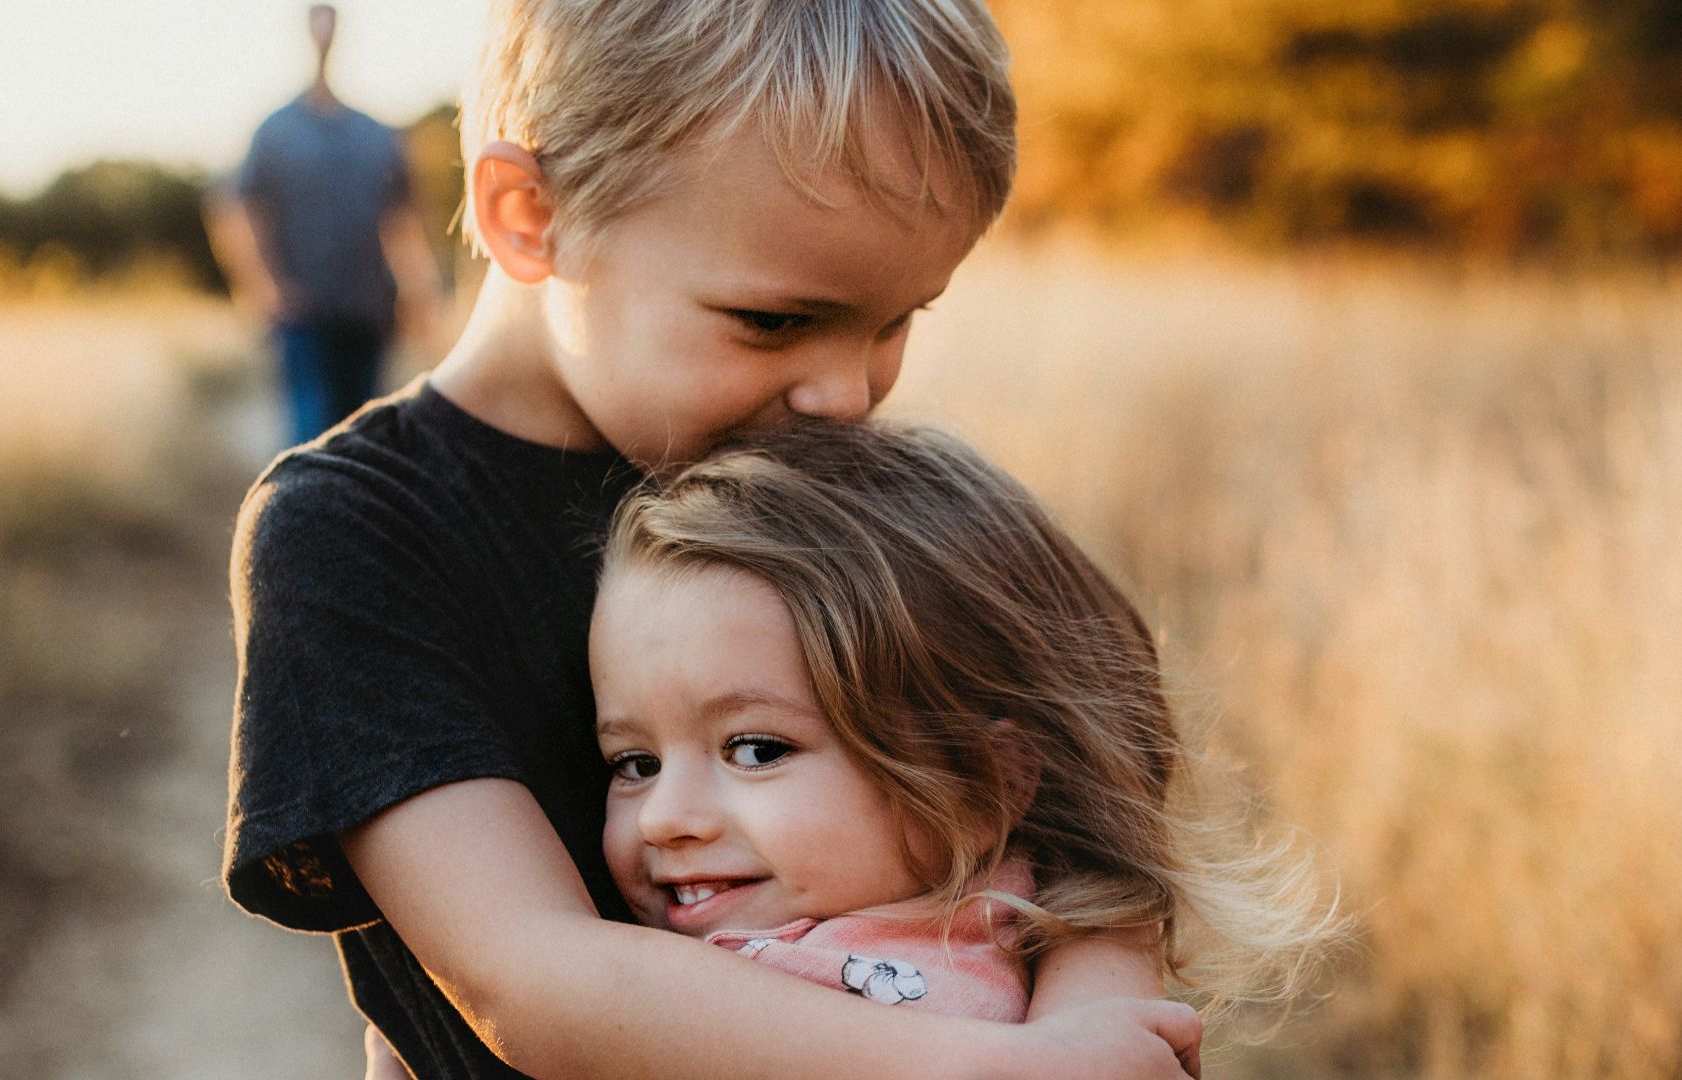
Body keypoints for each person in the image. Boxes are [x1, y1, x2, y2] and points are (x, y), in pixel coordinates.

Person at [224, 2, 1204, 1077]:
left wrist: (1086, 1030)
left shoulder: (830, 479)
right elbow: (532, 979)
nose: (845, 395)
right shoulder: (358, 533)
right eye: (775, 322)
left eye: (896, 321)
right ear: (527, 214)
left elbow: (1097, 814)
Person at [591, 420, 1338, 1025]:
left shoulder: (879, 1012)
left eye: (755, 749)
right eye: (634, 763)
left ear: (987, 782)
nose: (664, 820)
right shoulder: (1049, 962)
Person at [205, 3, 439, 446]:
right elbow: (236, 208)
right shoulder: (275, 131)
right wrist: (261, 286)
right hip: (304, 315)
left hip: (369, 310)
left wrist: (419, 293)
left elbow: (404, 220)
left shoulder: (374, 134)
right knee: (312, 439)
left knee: (361, 438)